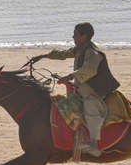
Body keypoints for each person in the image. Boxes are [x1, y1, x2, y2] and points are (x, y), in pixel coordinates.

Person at [29, 23, 120, 157]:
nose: (73, 36)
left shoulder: (92, 52)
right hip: (82, 86)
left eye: (75, 34)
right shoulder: (79, 49)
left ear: (84, 36)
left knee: (91, 106)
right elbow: (63, 54)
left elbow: (89, 70)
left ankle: (94, 145)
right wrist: (44, 56)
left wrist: (70, 76)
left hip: (96, 90)